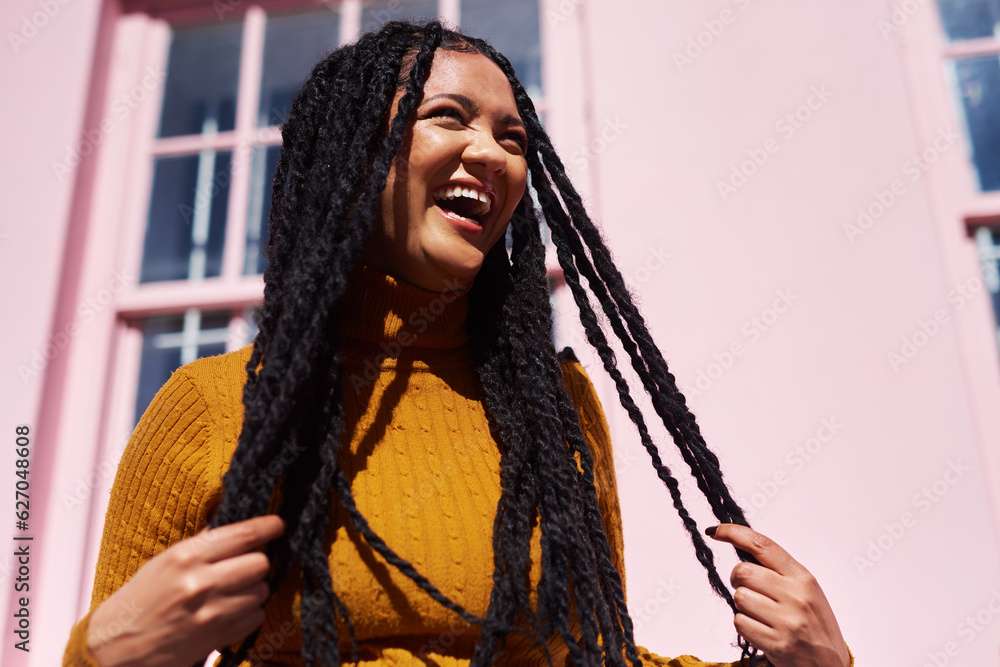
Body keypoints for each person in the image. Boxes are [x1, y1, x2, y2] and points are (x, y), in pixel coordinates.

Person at [63, 19, 852, 667]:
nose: (493, 152)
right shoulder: (212, 409)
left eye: (513, 135)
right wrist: (104, 653)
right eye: (448, 116)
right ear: (354, 155)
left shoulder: (553, 412)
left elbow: (596, 660)